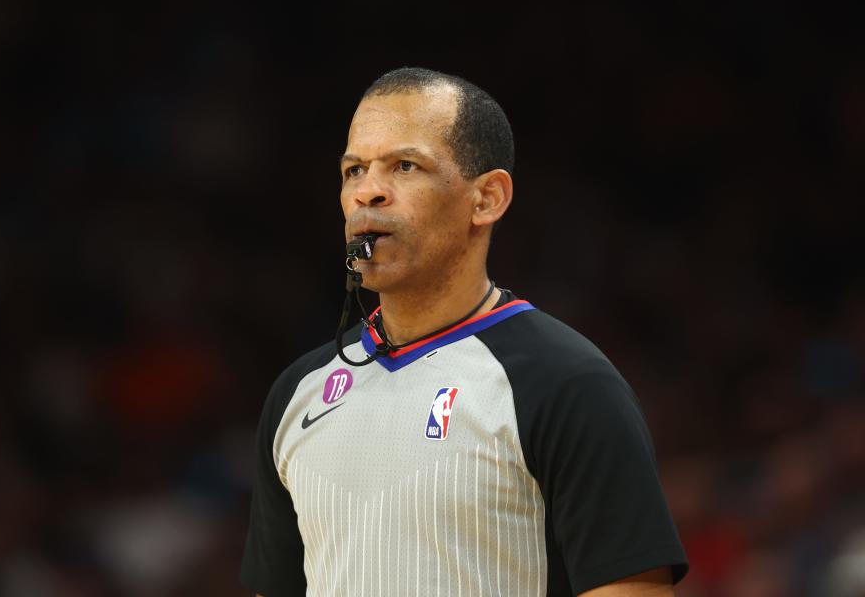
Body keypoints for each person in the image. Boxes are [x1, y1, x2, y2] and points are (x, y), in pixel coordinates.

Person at [240, 67, 688, 596]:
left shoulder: (569, 384)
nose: (368, 192)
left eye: (404, 166)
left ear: (487, 199)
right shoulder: (298, 392)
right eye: (354, 170)